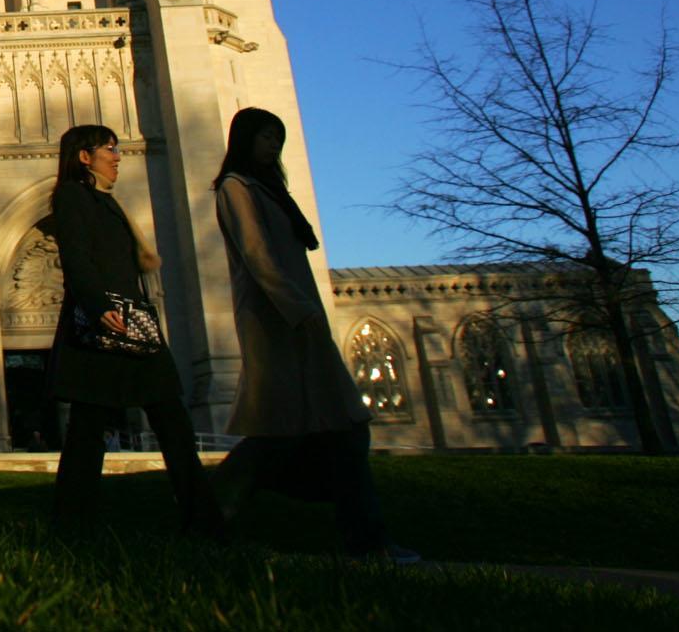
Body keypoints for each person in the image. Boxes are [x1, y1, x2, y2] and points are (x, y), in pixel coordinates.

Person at [210, 106, 415, 562]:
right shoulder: (236, 188)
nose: (273, 146)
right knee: (294, 436)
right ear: (244, 140)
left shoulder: (272, 191)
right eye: (265, 136)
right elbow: (258, 257)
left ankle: (364, 536)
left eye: (277, 138)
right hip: (278, 323)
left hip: (302, 322)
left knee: (334, 431)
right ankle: (212, 518)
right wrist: (299, 311)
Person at [48, 123, 224, 536]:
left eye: (118, 147)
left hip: (133, 327)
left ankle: (205, 521)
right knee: (87, 433)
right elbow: (76, 257)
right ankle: (72, 525)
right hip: (105, 326)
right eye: (109, 148)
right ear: (84, 157)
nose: (118, 155)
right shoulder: (73, 197)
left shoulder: (108, 201)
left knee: (172, 425)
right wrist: (97, 305)